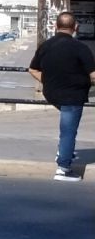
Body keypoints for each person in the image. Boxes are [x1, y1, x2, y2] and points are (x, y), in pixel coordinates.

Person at [28, 12, 95, 181]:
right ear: (76, 28)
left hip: (51, 93)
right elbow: (93, 75)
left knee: (66, 126)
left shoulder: (45, 46)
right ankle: (63, 168)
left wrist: (50, 82)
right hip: (73, 95)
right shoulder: (80, 48)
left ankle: (63, 151)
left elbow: (33, 69)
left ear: (55, 26)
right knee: (68, 131)